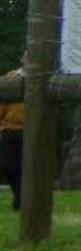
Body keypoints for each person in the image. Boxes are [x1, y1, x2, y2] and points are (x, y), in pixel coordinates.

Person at [0, 57, 24, 211]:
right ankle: (18, 194)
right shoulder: (11, 78)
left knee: (25, 167)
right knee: (8, 166)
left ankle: (21, 199)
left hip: (29, 130)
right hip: (10, 129)